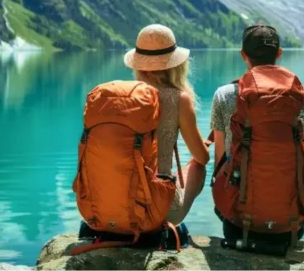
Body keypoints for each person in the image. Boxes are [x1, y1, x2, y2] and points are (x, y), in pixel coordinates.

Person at [209, 24, 304, 252]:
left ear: (243, 55)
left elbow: (220, 163)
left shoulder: (224, 95)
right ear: (279, 53)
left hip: (237, 223)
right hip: (291, 225)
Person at [72, 24, 210, 252]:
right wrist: (204, 146)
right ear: (176, 64)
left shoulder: (117, 98)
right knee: (196, 166)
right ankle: (161, 226)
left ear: (138, 63)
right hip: (153, 213)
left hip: (98, 209)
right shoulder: (179, 99)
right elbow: (202, 158)